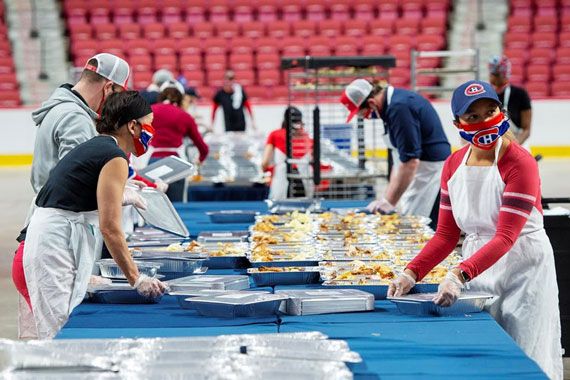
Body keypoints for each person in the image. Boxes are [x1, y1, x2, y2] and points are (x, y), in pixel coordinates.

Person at [388, 80, 562, 379]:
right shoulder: (454, 164)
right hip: (479, 263)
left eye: (490, 111)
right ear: (458, 122)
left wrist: (459, 273)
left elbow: (506, 237)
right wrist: (411, 272)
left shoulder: (520, 162)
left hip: (524, 263)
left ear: (502, 111)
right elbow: (446, 235)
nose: (484, 122)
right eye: (473, 117)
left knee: (526, 350)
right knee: (486, 354)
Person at [14, 91, 168, 339]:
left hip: (53, 236)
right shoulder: (115, 158)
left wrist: (123, 192)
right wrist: (136, 279)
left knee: (63, 323)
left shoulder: (98, 147)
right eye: (149, 124)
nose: (151, 132)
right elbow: (110, 227)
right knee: (61, 332)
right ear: (133, 125)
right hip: (53, 242)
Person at [13, 53, 133, 340]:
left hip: (41, 230)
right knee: (64, 343)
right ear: (109, 88)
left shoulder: (59, 108)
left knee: (47, 343)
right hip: (57, 238)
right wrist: (120, 193)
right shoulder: (76, 119)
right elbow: (81, 183)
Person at [340, 79, 451, 226]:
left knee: (421, 225)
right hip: (422, 172)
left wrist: (389, 202)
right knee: (412, 220)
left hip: (432, 173)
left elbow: (410, 162)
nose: (367, 118)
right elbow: (399, 161)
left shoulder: (399, 108)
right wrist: (385, 199)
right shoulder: (390, 107)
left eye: (364, 114)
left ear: (372, 103)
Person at [149, 80, 209, 202]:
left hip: (153, 162)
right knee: (177, 206)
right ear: (181, 97)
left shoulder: (150, 111)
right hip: (177, 163)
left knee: (154, 205)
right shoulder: (185, 116)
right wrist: (200, 160)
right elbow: (203, 148)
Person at [261, 106, 314, 199]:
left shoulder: (275, 135)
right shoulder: (307, 138)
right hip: (305, 186)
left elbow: (265, 162)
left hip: (282, 184)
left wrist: (266, 171)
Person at [488, 55, 532, 146]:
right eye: (491, 74)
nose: (493, 77)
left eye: (496, 74)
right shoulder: (486, 95)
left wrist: (515, 146)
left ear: (505, 74)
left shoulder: (520, 94)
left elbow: (526, 130)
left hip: (518, 142)